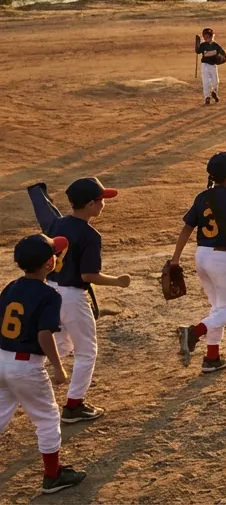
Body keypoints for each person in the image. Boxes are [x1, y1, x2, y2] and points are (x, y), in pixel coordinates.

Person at [1, 234, 87, 495]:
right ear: (50, 263)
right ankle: (53, 475)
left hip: (2, 359)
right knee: (47, 419)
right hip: (26, 367)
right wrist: (59, 368)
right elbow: (44, 335)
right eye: (54, 254)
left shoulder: (11, 286)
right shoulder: (49, 294)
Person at [46, 177, 128, 424]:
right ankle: (74, 406)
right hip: (72, 297)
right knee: (86, 352)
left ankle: (18, 381)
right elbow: (88, 276)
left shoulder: (56, 224)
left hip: (50, 290)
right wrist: (118, 281)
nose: (103, 204)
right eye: (101, 200)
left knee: (60, 345)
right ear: (91, 204)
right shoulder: (91, 235)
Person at [171, 152, 226, 373]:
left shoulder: (203, 197)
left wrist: (175, 259)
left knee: (218, 308)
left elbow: (187, 228)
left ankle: (212, 358)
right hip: (220, 258)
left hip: (201, 255)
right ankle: (193, 333)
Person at [196, 28, 226, 106]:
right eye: (205, 36)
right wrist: (197, 43)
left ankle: (214, 92)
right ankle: (207, 97)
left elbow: (222, 54)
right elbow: (198, 51)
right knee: (206, 82)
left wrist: (220, 58)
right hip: (205, 65)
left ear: (212, 36)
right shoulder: (203, 45)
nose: (207, 38)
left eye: (209, 36)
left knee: (215, 81)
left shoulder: (216, 45)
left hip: (213, 65)